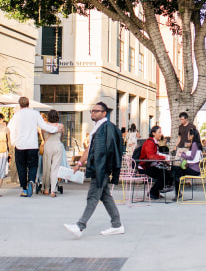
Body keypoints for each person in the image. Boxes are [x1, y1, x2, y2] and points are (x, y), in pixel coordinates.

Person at [64, 102, 124, 238]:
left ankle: (80, 226)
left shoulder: (107, 127)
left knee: (93, 196)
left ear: (104, 113)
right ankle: (117, 225)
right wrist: (79, 163)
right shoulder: (97, 128)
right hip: (99, 167)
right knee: (105, 196)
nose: (93, 113)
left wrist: (102, 168)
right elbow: (89, 149)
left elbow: (107, 151)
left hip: (101, 168)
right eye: (92, 110)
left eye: (97, 111)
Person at [7, 97, 64, 197]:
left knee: (21, 167)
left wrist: (13, 141)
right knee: (33, 165)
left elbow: (10, 128)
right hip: (32, 145)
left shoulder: (16, 116)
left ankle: (24, 189)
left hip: (20, 145)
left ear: (19, 105)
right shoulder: (35, 114)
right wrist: (55, 129)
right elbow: (44, 126)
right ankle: (32, 180)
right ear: (29, 104)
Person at [139, 125, 173, 200]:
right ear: (153, 133)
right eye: (159, 132)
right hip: (145, 166)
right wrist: (164, 158)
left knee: (166, 173)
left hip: (149, 165)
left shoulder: (154, 142)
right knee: (163, 174)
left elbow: (155, 155)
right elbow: (151, 156)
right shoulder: (149, 142)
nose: (160, 134)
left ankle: (155, 191)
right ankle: (153, 192)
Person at [173, 128, 204, 200]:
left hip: (193, 170)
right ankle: (176, 191)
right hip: (194, 169)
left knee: (176, 172)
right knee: (175, 169)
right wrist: (183, 154)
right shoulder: (197, 144)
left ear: (192, 135)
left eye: (188, 134)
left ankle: (177, 193)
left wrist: (181, 155)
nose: (187, 136)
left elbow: (191, 157)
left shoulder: (194, 144)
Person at [40, 110, 65, 196]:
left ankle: (46, 188)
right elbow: (62, 136)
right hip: (57, 145)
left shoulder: (44, 126)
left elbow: (43, 136)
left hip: (48, 146)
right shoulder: (61, 126)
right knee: (55, 168)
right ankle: (53, 190)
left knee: (47, 167)